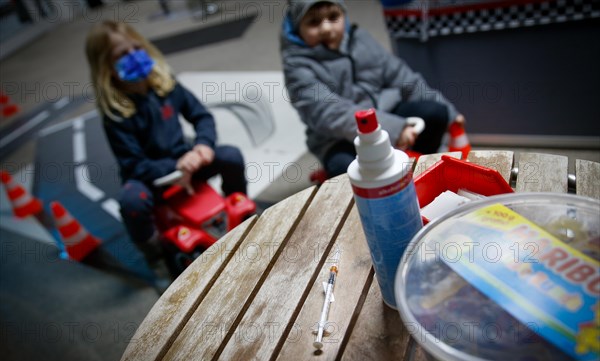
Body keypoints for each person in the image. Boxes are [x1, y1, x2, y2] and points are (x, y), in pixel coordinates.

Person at [85, 20, 247, 286]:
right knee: (132, 203)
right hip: (149, 175)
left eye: (136, 48)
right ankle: (155, 257)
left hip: (187, 159)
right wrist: (177, 165)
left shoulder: (167, 85)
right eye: (121, 55)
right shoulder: (116, 115)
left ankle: (237, 211)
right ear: (105, 68)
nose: (133, 57)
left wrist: (203, 145)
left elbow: (201, 116)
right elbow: (134, 163)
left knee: (230, 156)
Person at [280, 0, 467, 177]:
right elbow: (331, 114)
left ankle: (422, 167)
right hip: (339, 138)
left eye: (333, 17)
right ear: (297, 29)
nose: (326, 28)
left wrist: (450, 113)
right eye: (314, 22)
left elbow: (403, 77)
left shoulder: (360, 39)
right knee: (348, 171)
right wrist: (394, 130)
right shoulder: (297, 65)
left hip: (384, 112)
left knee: (436, 113)